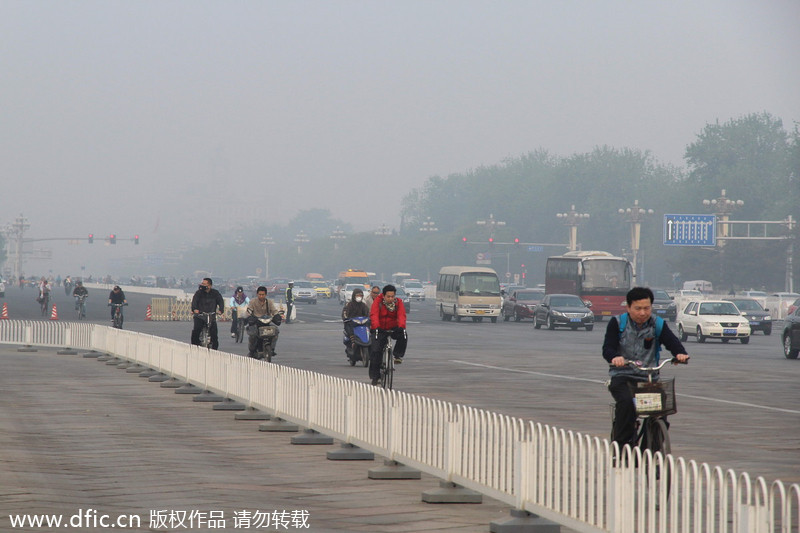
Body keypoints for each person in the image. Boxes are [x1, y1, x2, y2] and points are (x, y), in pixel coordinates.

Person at [602, 286, 690, 450]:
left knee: (660, 413)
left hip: (648, 379)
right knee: (627, 404)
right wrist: (615, 357)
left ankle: (651, 453)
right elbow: (608, 348)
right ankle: (621, 447)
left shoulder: (657, 324)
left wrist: (680, 354)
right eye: (638, 308)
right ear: (628, 307)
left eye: (646, 308)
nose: (643, 313)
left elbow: (672, 342)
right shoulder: (617, 323)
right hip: (623, 377)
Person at [368, 284, 408, 386]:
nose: (391, 299)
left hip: (393, 327)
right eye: (388, 296)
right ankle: (375, 376)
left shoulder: (398, 303)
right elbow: (374, 314)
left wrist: (401, 326)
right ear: (384, 295)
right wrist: (376, 326)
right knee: (376, 351)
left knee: (403, 335)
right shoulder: (378, 301)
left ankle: (397, 355)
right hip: (380, 328)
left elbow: (401, 315)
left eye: (392, 296)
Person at [245, 286, 283, 358]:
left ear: (266, 295)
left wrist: (277, 316)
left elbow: (274, 311)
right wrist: (250, 317)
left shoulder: (269, 302)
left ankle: (272, 349)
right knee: (253, 334)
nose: (261, 296)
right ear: (257, 294)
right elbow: (248, 311)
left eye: (263, 295)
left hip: (267, 322)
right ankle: (252, 351)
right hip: (256, 322)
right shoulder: (252, 302)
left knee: (276, 331)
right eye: (260, 294)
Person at [191, 278, 225, 350]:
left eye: (204, 284)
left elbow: (221, 302)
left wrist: (221, 310)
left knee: (214, 334)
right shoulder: (198, 293)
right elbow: (194, 302)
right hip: (200, 316)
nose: (202, 285)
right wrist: (194, 309)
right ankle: (194, 347)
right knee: (196, 330)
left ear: (209, 286)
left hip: (211, 316)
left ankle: (214, 349)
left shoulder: (215, 293)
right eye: (202, 283)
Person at [341, 288, 370, 355]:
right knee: (348, 327)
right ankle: (353, 341)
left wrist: (368, 318)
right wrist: (346, 318)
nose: (359, 297)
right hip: (352, 322)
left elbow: (367, 314)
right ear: (354, 296)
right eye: (357, 295)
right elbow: (345, 313)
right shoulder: (349, 305)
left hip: (362, 322)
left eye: (360, 295)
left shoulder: (363, 305)